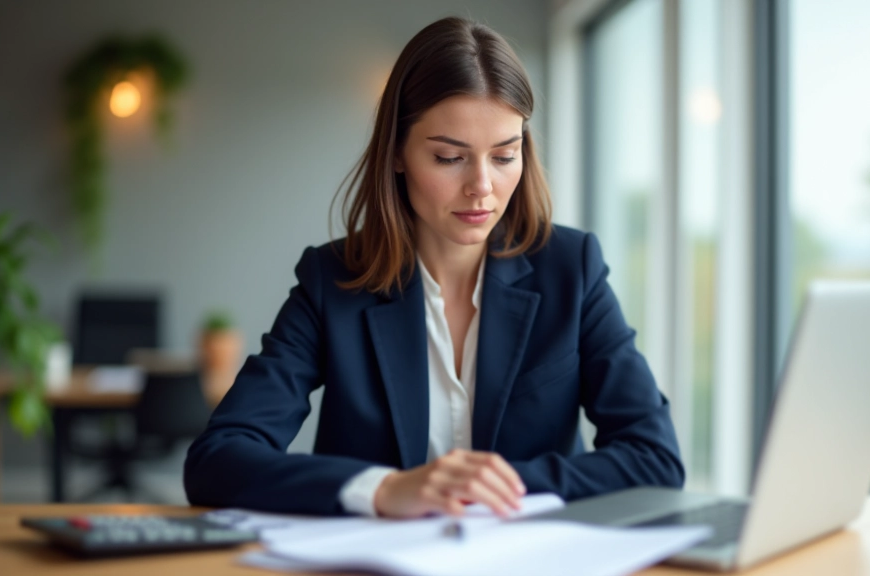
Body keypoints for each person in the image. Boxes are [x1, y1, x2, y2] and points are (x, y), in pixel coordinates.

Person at [184, 16, 683, 518]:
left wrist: (490, 488)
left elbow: (655, 459)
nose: (482, 186)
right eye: (449, 158)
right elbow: (217, 460)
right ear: (398, 153)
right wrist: (383, 490)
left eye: (505, 155)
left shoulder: (572, 269)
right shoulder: (332, 280)